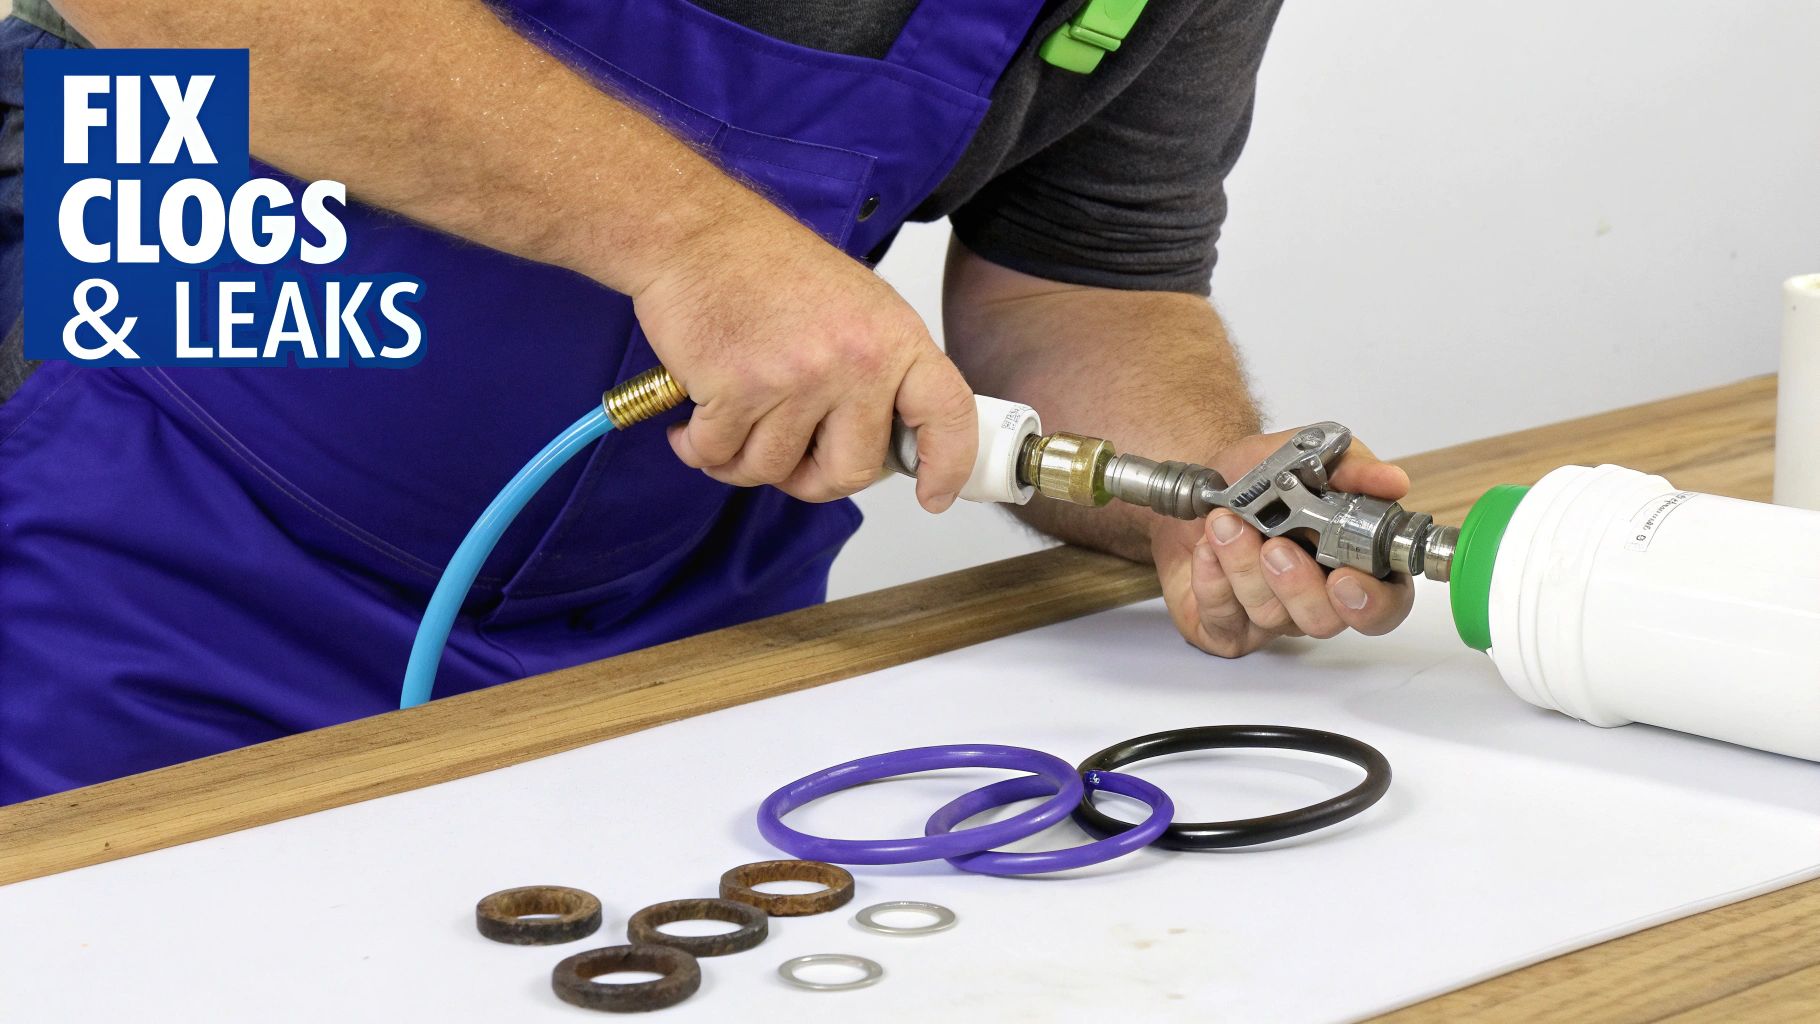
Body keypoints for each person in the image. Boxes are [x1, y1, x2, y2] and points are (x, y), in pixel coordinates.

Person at [0, 0, 1414, 804]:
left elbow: (1083, 279)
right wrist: (693, 242)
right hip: (127, 521)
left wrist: (1195, 481)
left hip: (662, 621)